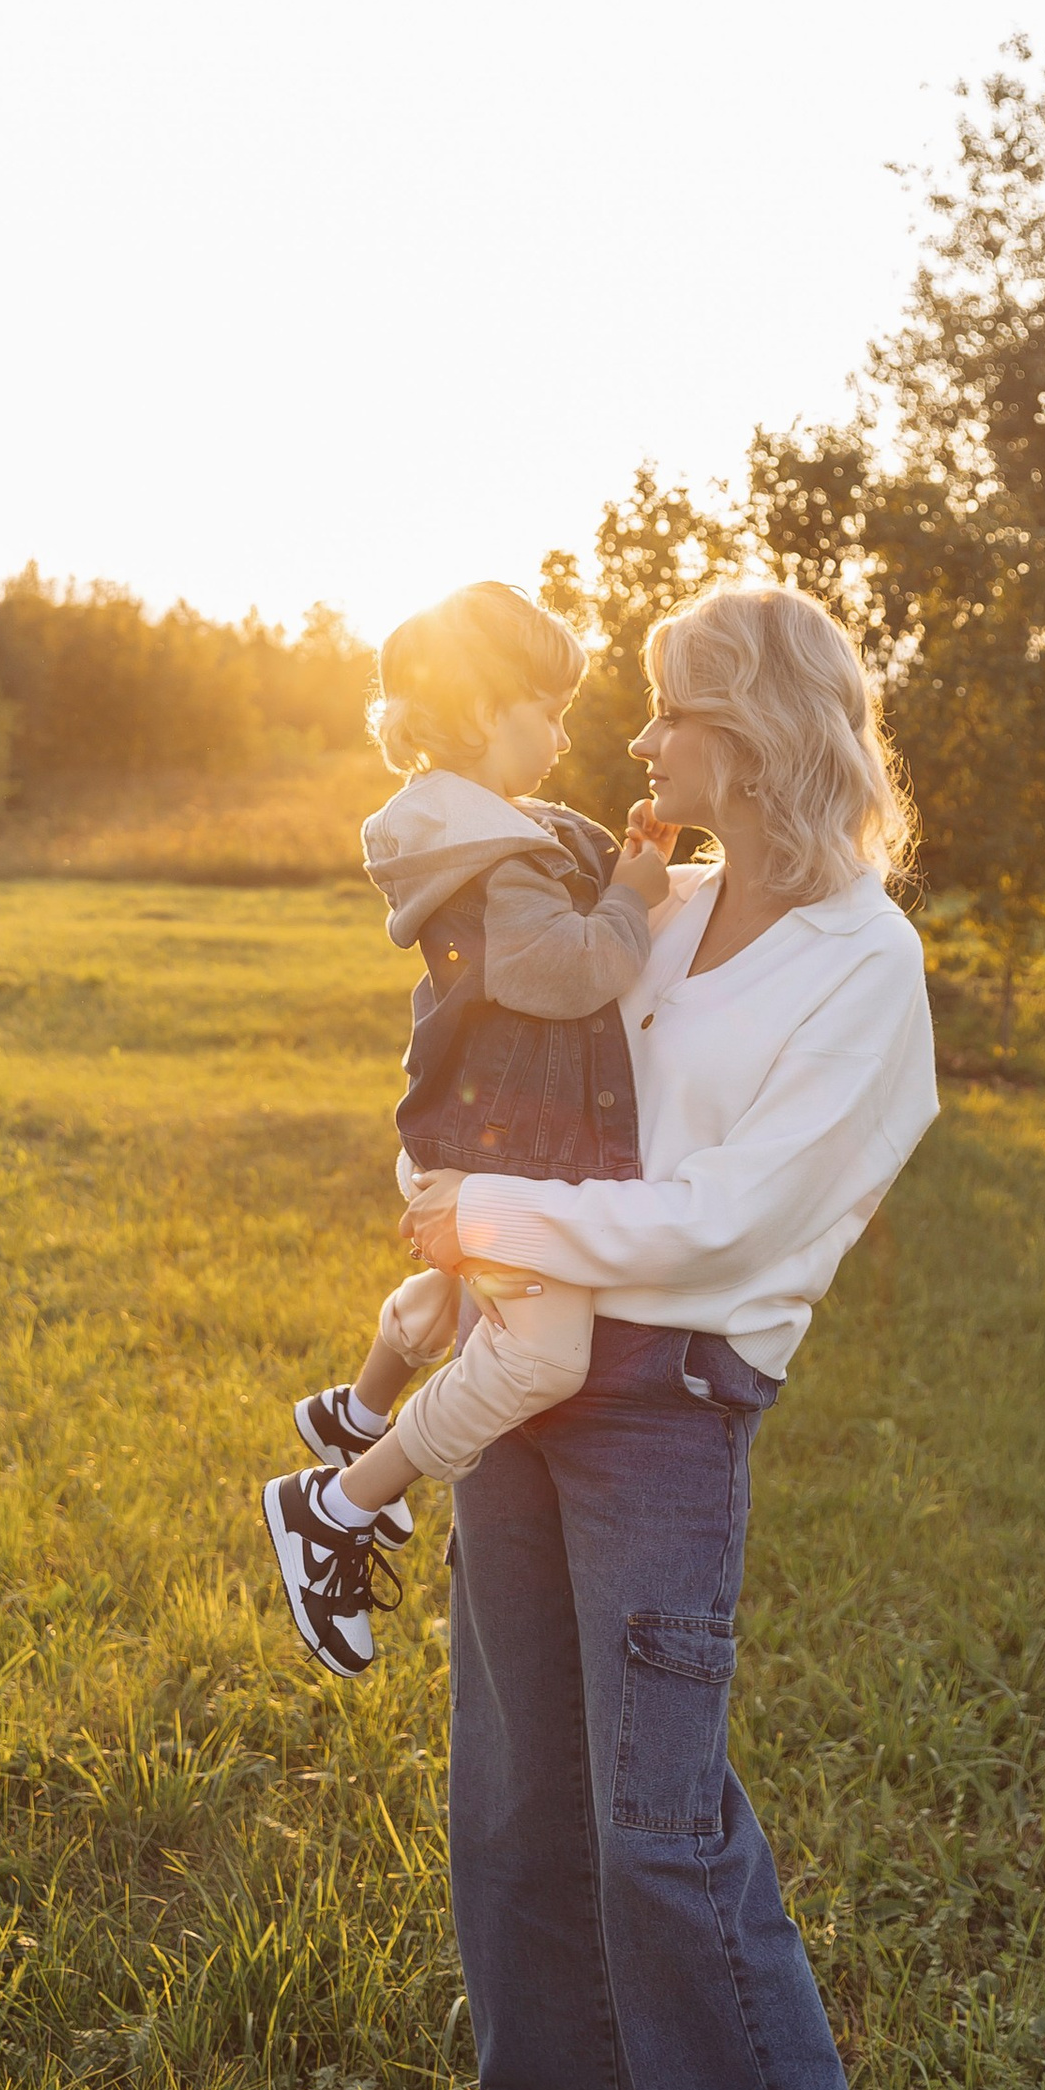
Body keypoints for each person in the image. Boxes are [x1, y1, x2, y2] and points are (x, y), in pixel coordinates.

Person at [403, 580, 945, 2090]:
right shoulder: (675, 907)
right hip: (527, 1366)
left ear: (763, 730)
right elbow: (539, 1073)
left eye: (671, 712)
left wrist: (486, 1215)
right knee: (517, 1797)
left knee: (662, 1835)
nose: (641, 746)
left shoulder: (867, 969)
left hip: (665, 1405)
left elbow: (729, 1224)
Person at [262, 579, 674, 1678]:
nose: (563, 736)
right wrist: (631, 901)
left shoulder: (491, 830)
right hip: (504, 1156)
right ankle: (337, 1506)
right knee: (542, 1357)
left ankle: (358, 1408)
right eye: (547, 710)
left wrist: (630, 859)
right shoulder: (493, 856)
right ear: (485, 708)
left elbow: (568, 884)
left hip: (472, 1139)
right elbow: (565, 969)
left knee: (453, 1295)